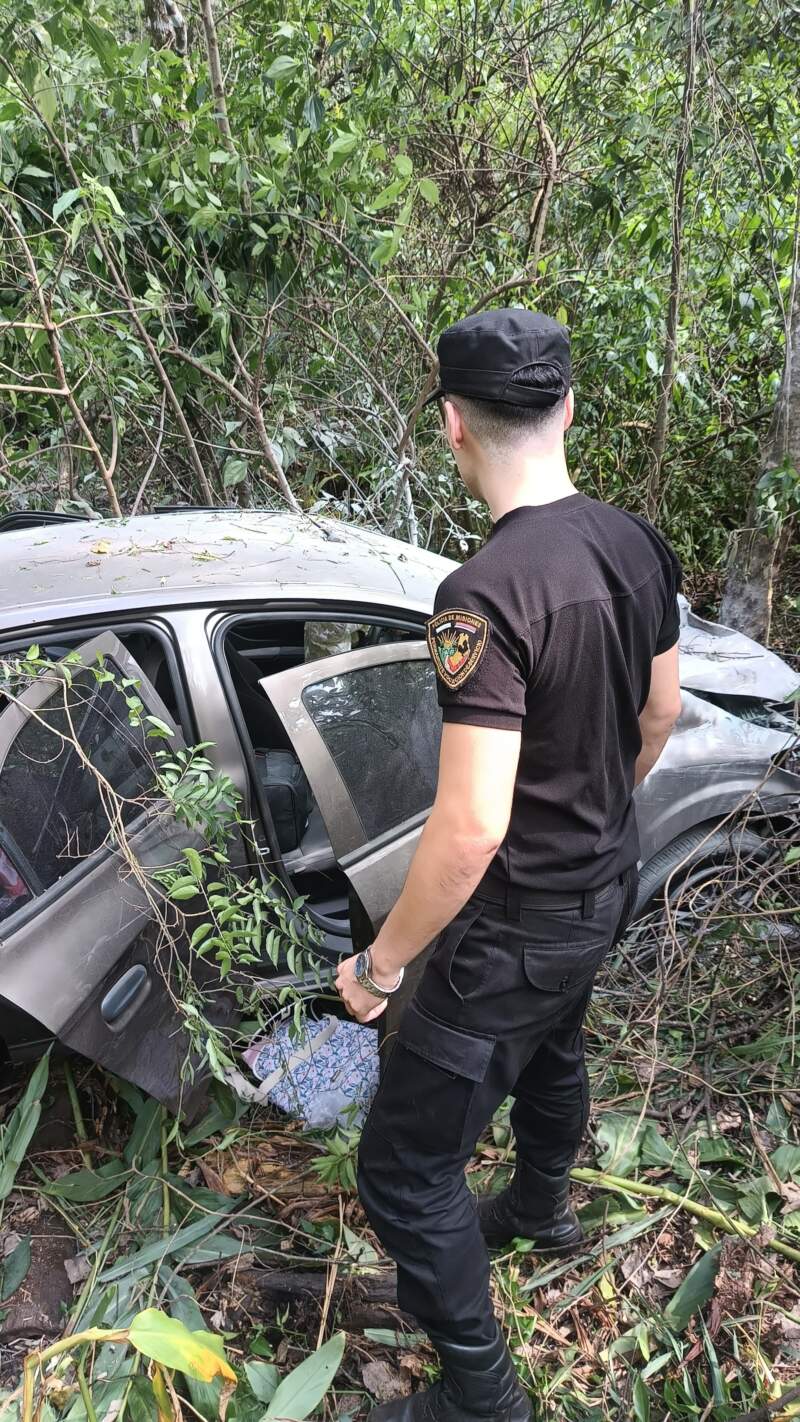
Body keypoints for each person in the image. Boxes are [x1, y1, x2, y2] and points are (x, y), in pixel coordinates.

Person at [335, 308, 683, 1422]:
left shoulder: (476, 597)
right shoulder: (634, 542)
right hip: (605, 884)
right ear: (568, 407)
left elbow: (471, 828)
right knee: (554, 1041)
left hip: (517, 922)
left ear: (451, 425)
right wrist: (590, 817)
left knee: (400, 1168)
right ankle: (541, 1208)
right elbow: (659, 713)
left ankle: (480, 1398)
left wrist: (383, 967)